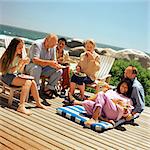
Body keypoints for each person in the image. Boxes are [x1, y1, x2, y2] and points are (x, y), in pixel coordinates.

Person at [0, 38, 47, 115]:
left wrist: (23, 63)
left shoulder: (19, 57)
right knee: (28, 82)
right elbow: (7, 71)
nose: (21, 49)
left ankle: (38, 103)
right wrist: (19, 64)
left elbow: (19, 71)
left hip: (14, 76)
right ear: (14, 47)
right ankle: (21, 106)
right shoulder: (7, 56)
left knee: (32, 82)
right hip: (6, 76)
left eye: (22, 48)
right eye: (20, 47)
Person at [66, 78, 134, 125]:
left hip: (114, 112)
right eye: (122, 86)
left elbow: (128, 114)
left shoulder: (128, 99)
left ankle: (95, 118)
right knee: (88, 103)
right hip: (103, 110)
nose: (123, 88)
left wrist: (124, 110)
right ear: (119, 86)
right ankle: (74, 102)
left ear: (128, 89)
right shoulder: (111, 92)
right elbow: (100, 100)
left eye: (126, 87)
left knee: (101, 94)